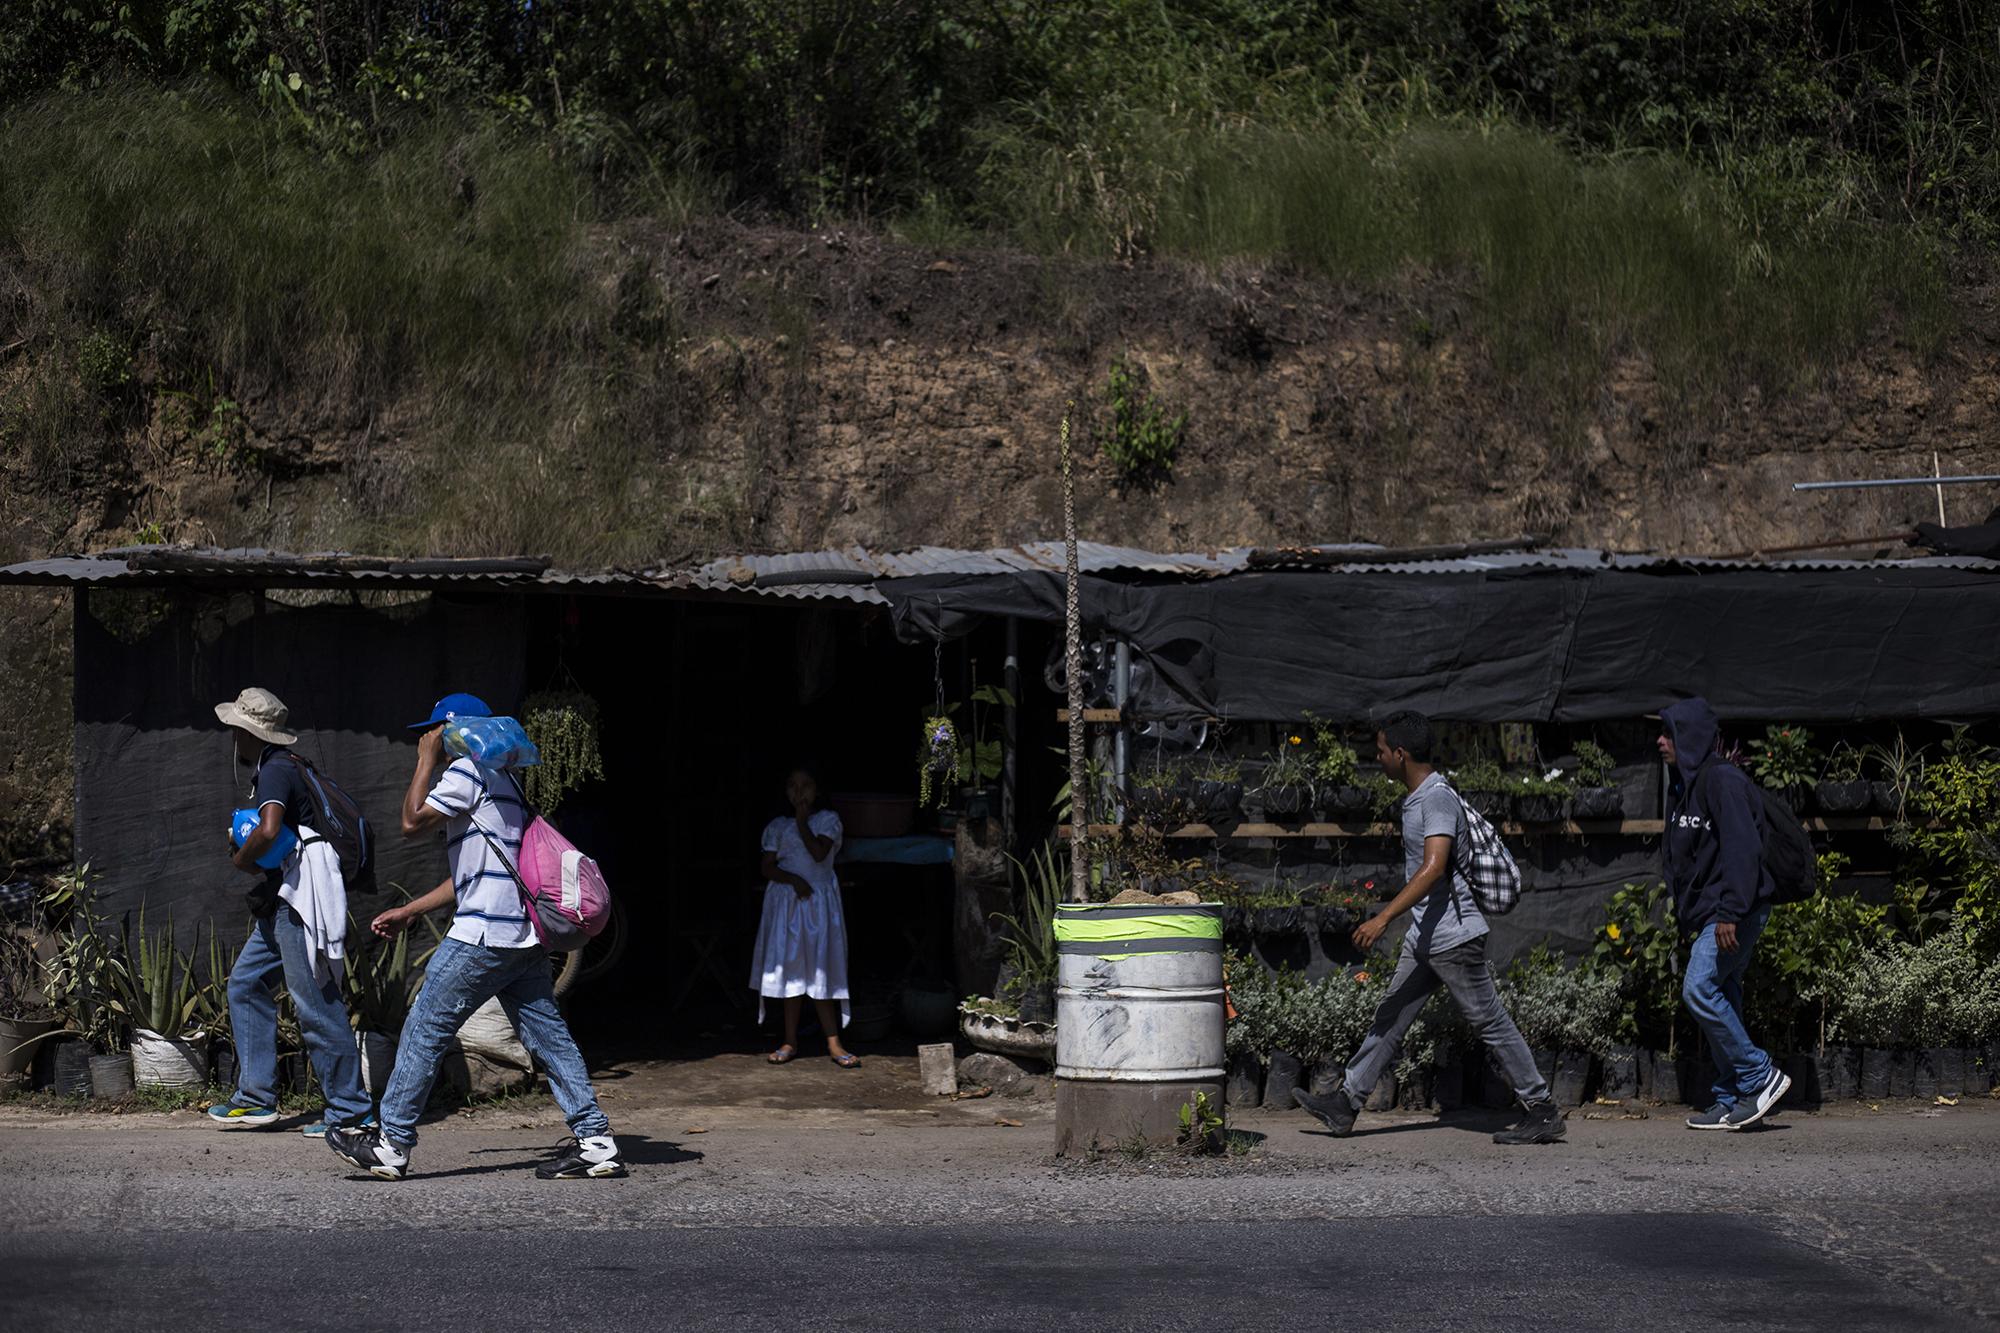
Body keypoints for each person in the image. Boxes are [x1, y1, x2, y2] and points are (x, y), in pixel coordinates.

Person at [326, 692, 624, 1180]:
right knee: (549, 1038)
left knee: (424, 1027)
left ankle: (391, 1143)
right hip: (523, 938)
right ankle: (596, 1142)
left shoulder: (466, 773)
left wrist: (424, 763)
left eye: (436, 731)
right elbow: (479, 873)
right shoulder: (507, 781)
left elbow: (410, 821)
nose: (430, 740)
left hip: (482, 935)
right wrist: (410, 910)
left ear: (455, 729)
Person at [1293, 711, 1564, 1146]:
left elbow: (1434, 867)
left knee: (1490, 1021)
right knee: (1392, 1015)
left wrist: (1383, 917)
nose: (1377, 758)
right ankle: (1345, 1103)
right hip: (1427, 938)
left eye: (1381, 751)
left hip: (1453, 938)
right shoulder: (1420, 797)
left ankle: (1543, 1109)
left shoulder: (1436, 798)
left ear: (1400, 754)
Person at [207, 687, 374, 1137]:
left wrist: (241, 860)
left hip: (299, 900)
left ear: (250, 733)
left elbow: (270, 829)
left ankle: (352, 1113)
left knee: (316, 1004)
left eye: (236, 731)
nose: (233, 739)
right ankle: (256, 1098)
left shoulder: (276, 771)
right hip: (284, 898)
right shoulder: (288, 765)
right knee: (246, 984)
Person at [1659, 697, 1792, 1130]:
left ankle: (1759, 1074)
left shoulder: (1723, 782)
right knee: (1723, 993)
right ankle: (1732, 1094)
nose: (1660, 743)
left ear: (1690, 737)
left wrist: (1731, 911)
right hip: (1713, 913)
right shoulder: (1684, 785)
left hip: (1738, 910)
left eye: (1668, 734)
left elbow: (1743, 850)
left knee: (1698, 988)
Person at [751, 766, 856, 1067]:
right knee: (792, 972)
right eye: (792, 786)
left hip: (820, 904)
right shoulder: (776, 826)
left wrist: (801, 821)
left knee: (822, 969)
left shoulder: (827, 821)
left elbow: (819, 854)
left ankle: (834, 1041)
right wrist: (791, 880)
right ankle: (790, 1039)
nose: (799, 793)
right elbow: (767, 867)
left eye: (806, 785)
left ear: (818, 790)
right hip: (788, 905)